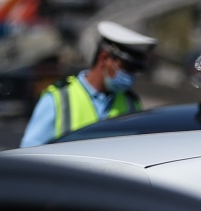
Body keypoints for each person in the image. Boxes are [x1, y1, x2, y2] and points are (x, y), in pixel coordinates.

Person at [19, 22, 154, 148]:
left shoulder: (131, 103)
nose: (131, 75)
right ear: (104, 58)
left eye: (134, 70)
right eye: (126, 68)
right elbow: (29, 154)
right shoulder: (59, 97)